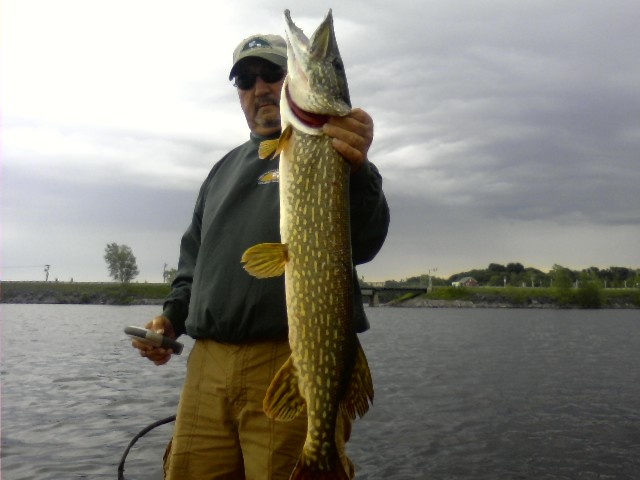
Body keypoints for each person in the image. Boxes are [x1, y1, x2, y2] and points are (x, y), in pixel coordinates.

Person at [132, 33, 390, 480]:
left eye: (273, 74)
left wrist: (359, 170)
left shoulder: (331, 151)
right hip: (206, 367)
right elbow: (193, 261)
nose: (260, 88)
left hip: (292, 358)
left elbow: (364, 244)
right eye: (246, 80)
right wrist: (170, 318)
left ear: (291, 83)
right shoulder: (221, 170)